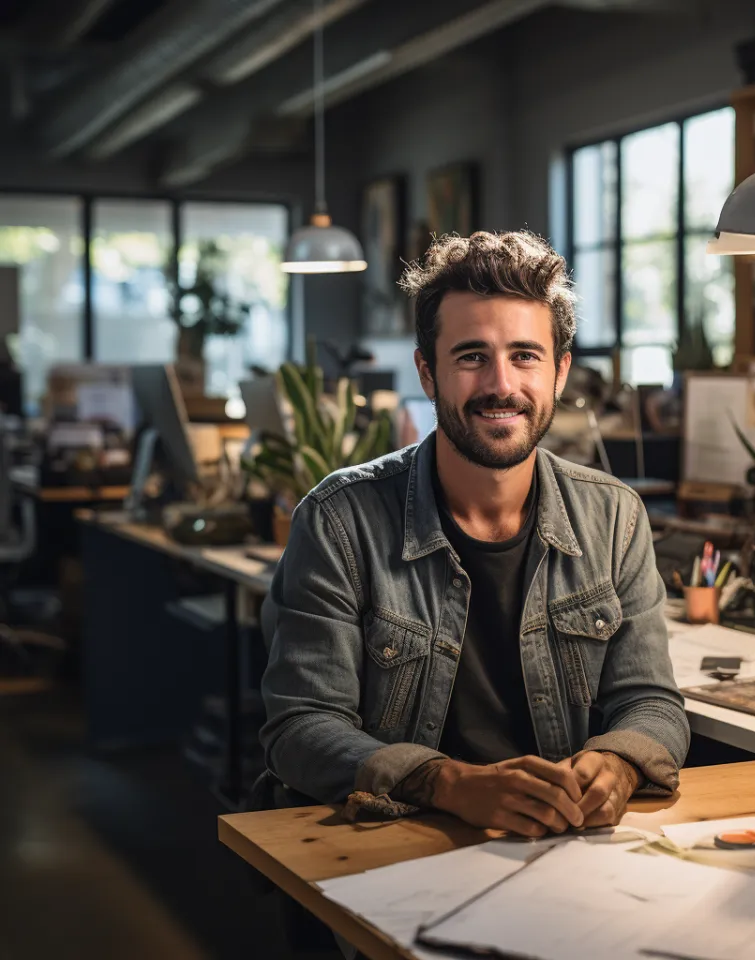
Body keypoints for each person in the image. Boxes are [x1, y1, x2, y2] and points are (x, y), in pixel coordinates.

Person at [260, 231, 689, 838]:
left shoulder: (614, 517)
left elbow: (653, 703)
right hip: (400, 838)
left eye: (525, 356)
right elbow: (300, 726)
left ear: (560, 372)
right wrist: (449, 785)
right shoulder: (339, 520)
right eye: (471, 357)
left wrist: (618, 761)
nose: (501, 385)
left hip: (565, 842)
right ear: (428, 373)